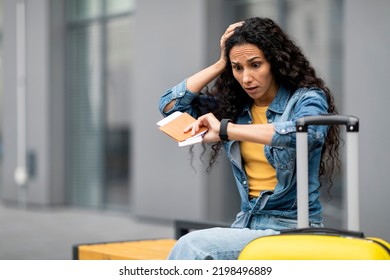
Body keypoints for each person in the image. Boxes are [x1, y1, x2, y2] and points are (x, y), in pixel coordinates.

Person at [159, 17, 340, 260]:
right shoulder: (237, 108)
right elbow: (171, 106)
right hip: (246, 224)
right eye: (238, 68)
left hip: (292, 229)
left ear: (275, 62)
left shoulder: (306, 99)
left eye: (255, 65)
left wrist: (227, 130)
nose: (246, 78)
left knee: (192, 246)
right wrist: (220, 63)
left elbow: (306, 133)